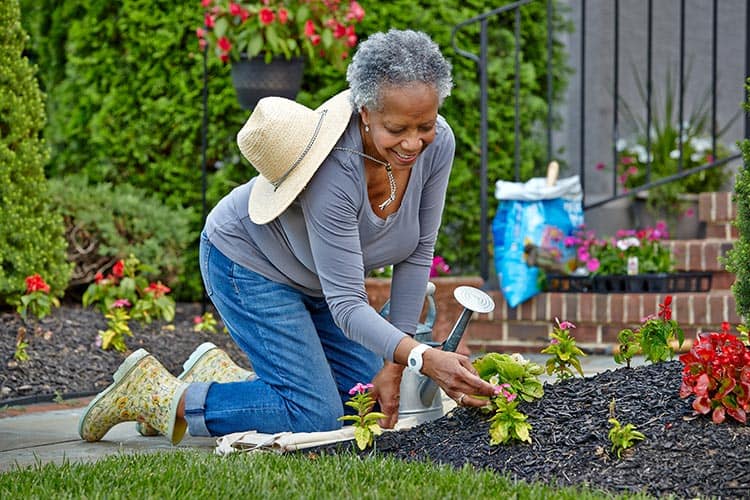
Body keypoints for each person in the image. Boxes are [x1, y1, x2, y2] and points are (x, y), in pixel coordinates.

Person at [79, 29, 497, 445]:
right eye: (396, 128)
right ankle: (159, 394)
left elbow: (418, 252)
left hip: (318, 279)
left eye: (424, 125)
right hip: (248, 262)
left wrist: (396, 364)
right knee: (315, 416)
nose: (412, 142)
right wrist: (422, 357)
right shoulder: (334, 170)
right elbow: (349, 306)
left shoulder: (438, 143)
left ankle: (220, 376)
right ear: (365, 112)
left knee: (362, 402)